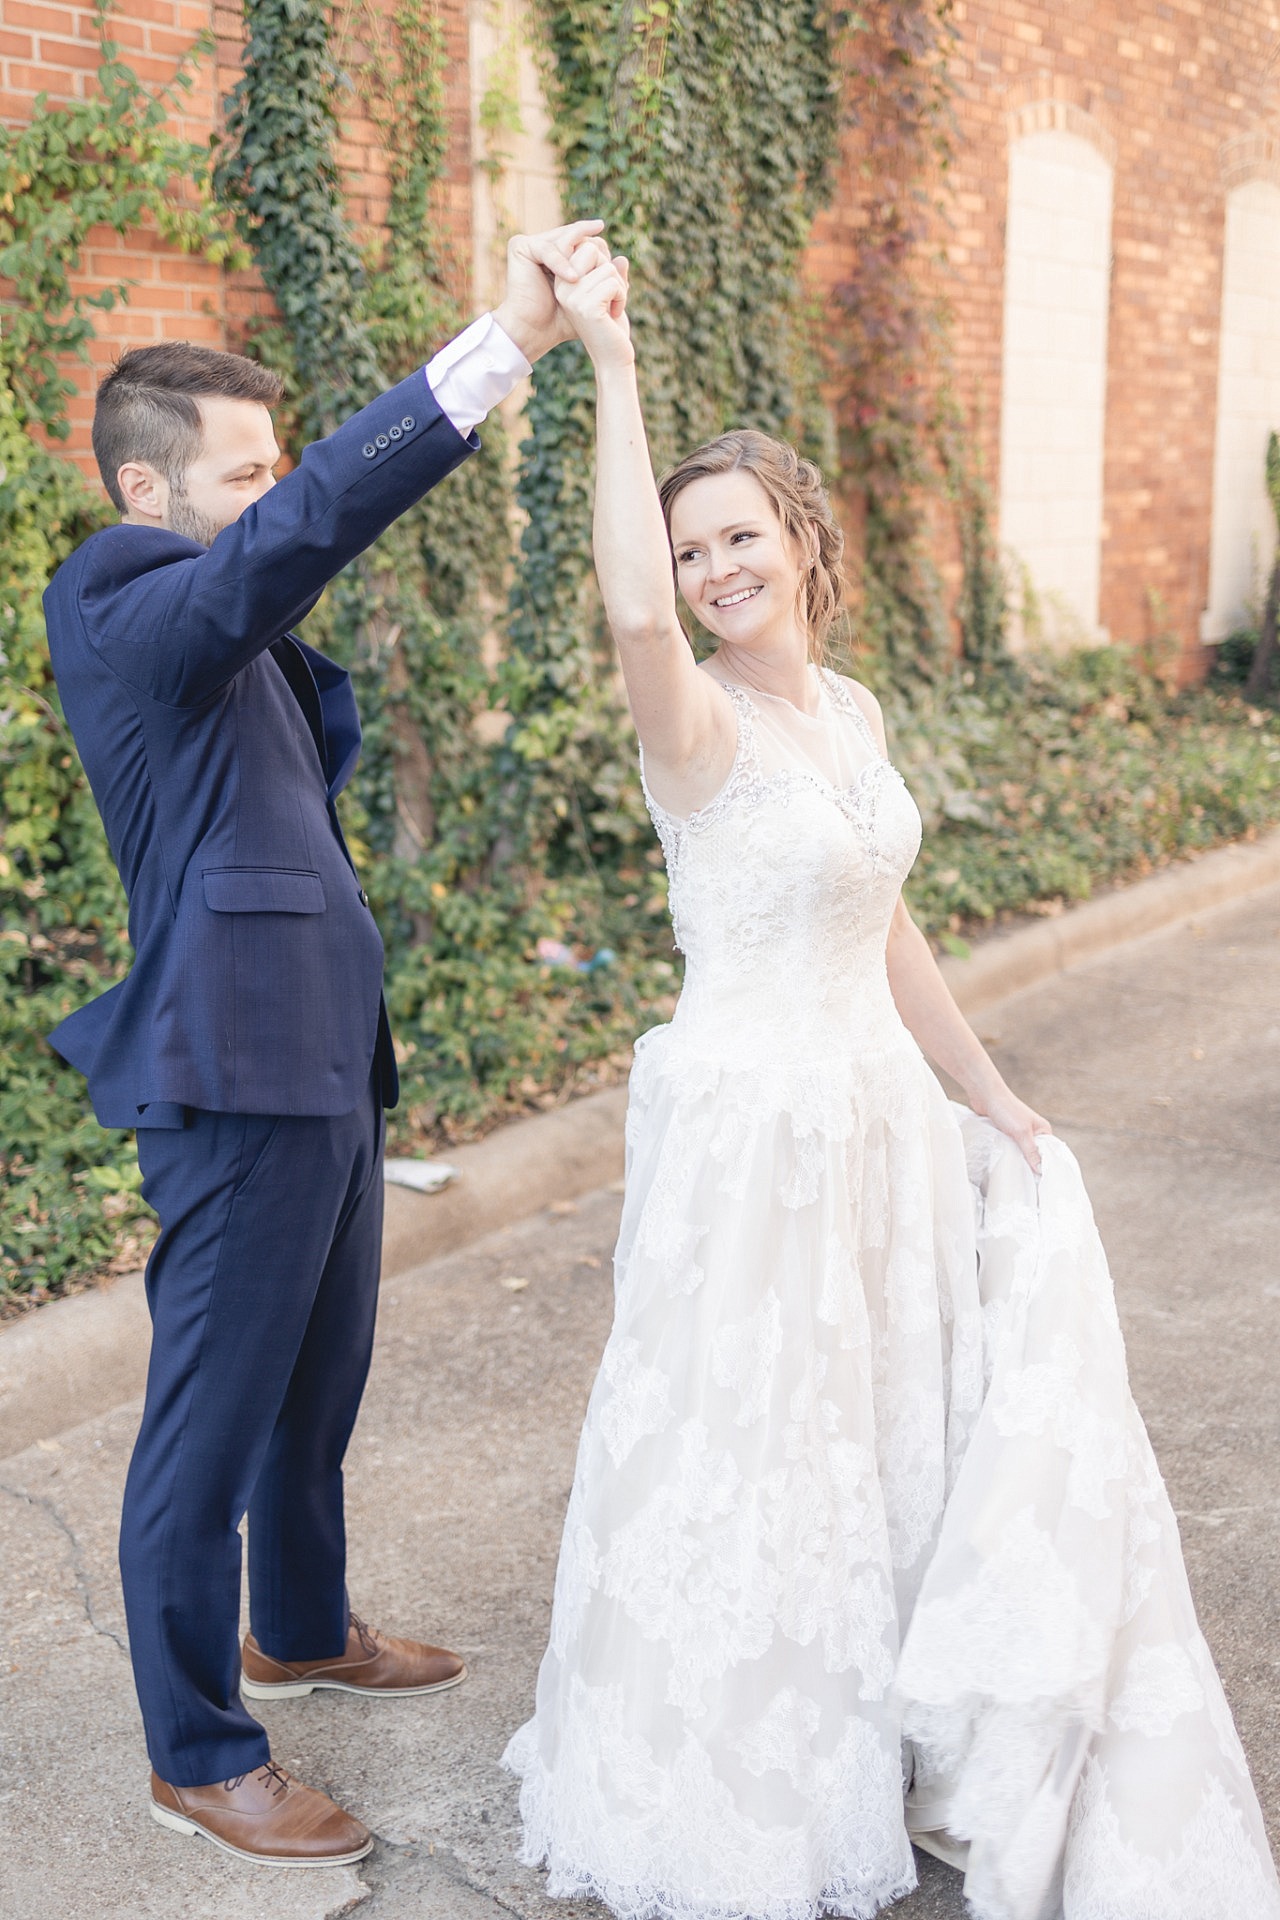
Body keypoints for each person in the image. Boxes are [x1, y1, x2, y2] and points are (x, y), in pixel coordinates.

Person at [501, 254, 1280, 1917]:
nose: (714, 569)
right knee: (755, 1448)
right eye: (692, 547)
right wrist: (612, 370)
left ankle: (881, 1726)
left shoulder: (848, 712)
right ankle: (741, 1781)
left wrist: (991, 1096)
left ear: (801, 542)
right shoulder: (692, 728)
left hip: (876, 1122)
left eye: (739, 537)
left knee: (876, 1442)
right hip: (753, 1132)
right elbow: (630, 615)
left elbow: (887, 920)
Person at [42, 220, 607, 1870]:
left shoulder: (216, 618)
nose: (273, 491)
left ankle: (297, 1625)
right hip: (233, 1069)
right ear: (146, 491)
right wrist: (497, 350)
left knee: (316, 1382)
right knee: (210, 1418)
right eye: (245, 473)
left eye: (274, 465)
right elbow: (295, 540)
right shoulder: (114, 592)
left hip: (323, 1057)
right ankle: (201, 1750)